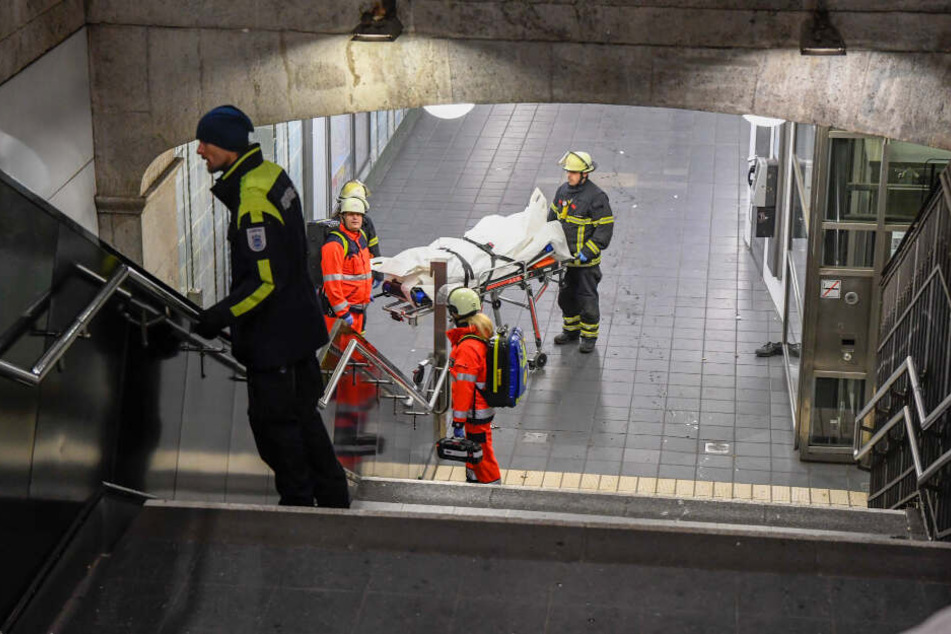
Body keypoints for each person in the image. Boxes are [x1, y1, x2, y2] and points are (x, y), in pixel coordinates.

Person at [191, 104, 349, 508]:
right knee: (303, 419)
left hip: (275, 338)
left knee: (275, 427)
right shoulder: (271, 174)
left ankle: (297, 504)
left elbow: (265, 280)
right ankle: (332, 498)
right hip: (298, 326)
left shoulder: (252, 200)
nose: (199, 151)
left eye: (204, 143)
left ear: (224, 146)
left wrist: (219, 315)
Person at [547, 150, 614, 353]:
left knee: (587, 299)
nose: (569, 176)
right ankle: (571, 331)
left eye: (574, 173)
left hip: (586, 264)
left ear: (585, 174)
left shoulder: (596, 197)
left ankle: (589, 337)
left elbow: (604, 230)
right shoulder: (562, 192)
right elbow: (552, 220)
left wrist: (587, 252)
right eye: (568, 172)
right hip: (567, 261)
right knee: (566, 298)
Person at [446, 287, 502, 484]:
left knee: (482, 454)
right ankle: (474, 482)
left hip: (474, 411)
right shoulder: (480, 332)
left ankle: (492, 489)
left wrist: (458, 422)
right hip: (480, 407)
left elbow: (464, 388)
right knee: (476, 451)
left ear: (455, 312)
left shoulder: (468, 347)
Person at [321, 196, 373, 334]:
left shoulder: (360, 236)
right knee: (338, 353)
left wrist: (366, 293)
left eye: (358, 215)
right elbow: (332, 283)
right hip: (341, 316)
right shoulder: (334, 245)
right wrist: (343, 313)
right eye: (350, 214)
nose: (355, 218)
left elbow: (362, 270)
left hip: (358, 311)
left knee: (355, 352)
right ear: (342, 217)